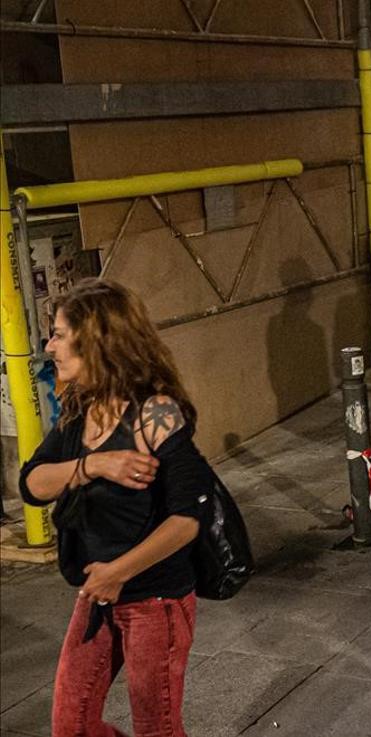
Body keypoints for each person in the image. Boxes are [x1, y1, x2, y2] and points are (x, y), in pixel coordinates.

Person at [19, 279, 209, 735]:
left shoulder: (155, 413)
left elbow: (186, 521)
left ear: (98, 342)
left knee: (156, 727)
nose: (51, 345)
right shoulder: (80, 411)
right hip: (99, 594)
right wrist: (95, 465)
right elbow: (32, 484)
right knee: (72, 725)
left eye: (61, 334)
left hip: (155, 601)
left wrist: (118, 571)